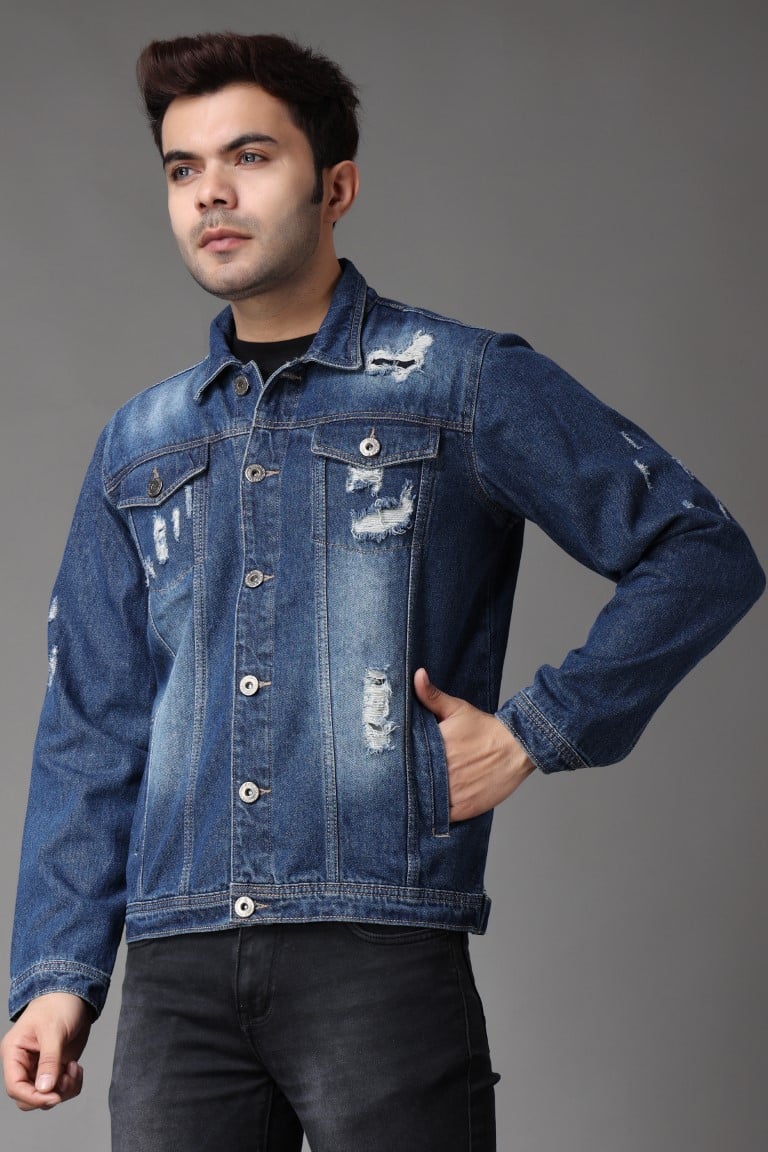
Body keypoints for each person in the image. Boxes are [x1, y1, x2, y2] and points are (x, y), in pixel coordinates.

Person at [1, 30, 764, 1152]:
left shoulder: (457, 383)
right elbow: (92, 721)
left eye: (250, 156)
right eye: (182, 167)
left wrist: (539, 730)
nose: (211, 192)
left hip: (378, 953)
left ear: (337, 186)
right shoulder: (139, 441)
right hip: (175, 976)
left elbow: (699, 549)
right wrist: (56, 971)